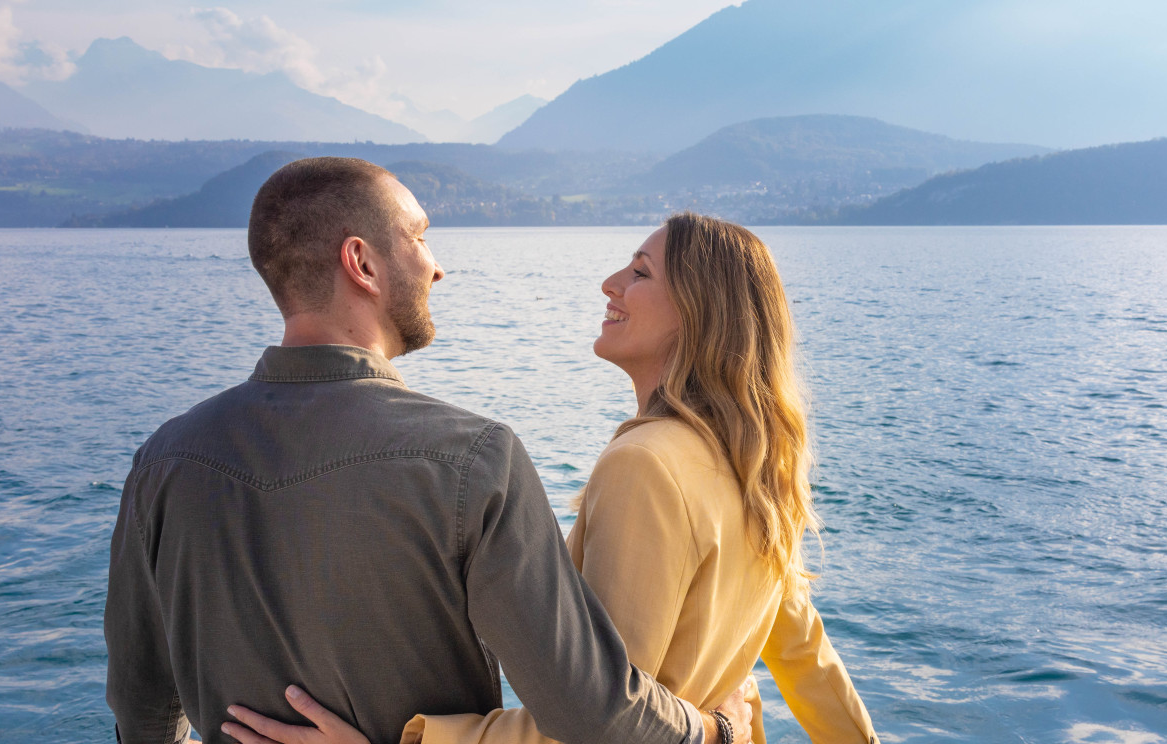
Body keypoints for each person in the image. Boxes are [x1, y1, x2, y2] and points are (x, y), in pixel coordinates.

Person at [104, 159, 750, 744]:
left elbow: (142, 709)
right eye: (418, 236)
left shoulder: (163, 461)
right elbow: (593, 714)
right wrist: (715, 731)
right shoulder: (474, 460)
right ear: (362, 263)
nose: (436, 265)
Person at [220, 213, 879, 744]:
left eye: (640, 272)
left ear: (697, 314)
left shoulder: (647, 465)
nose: (609, 284)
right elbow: (807, 658)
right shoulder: (753, 468)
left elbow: (603, 720)